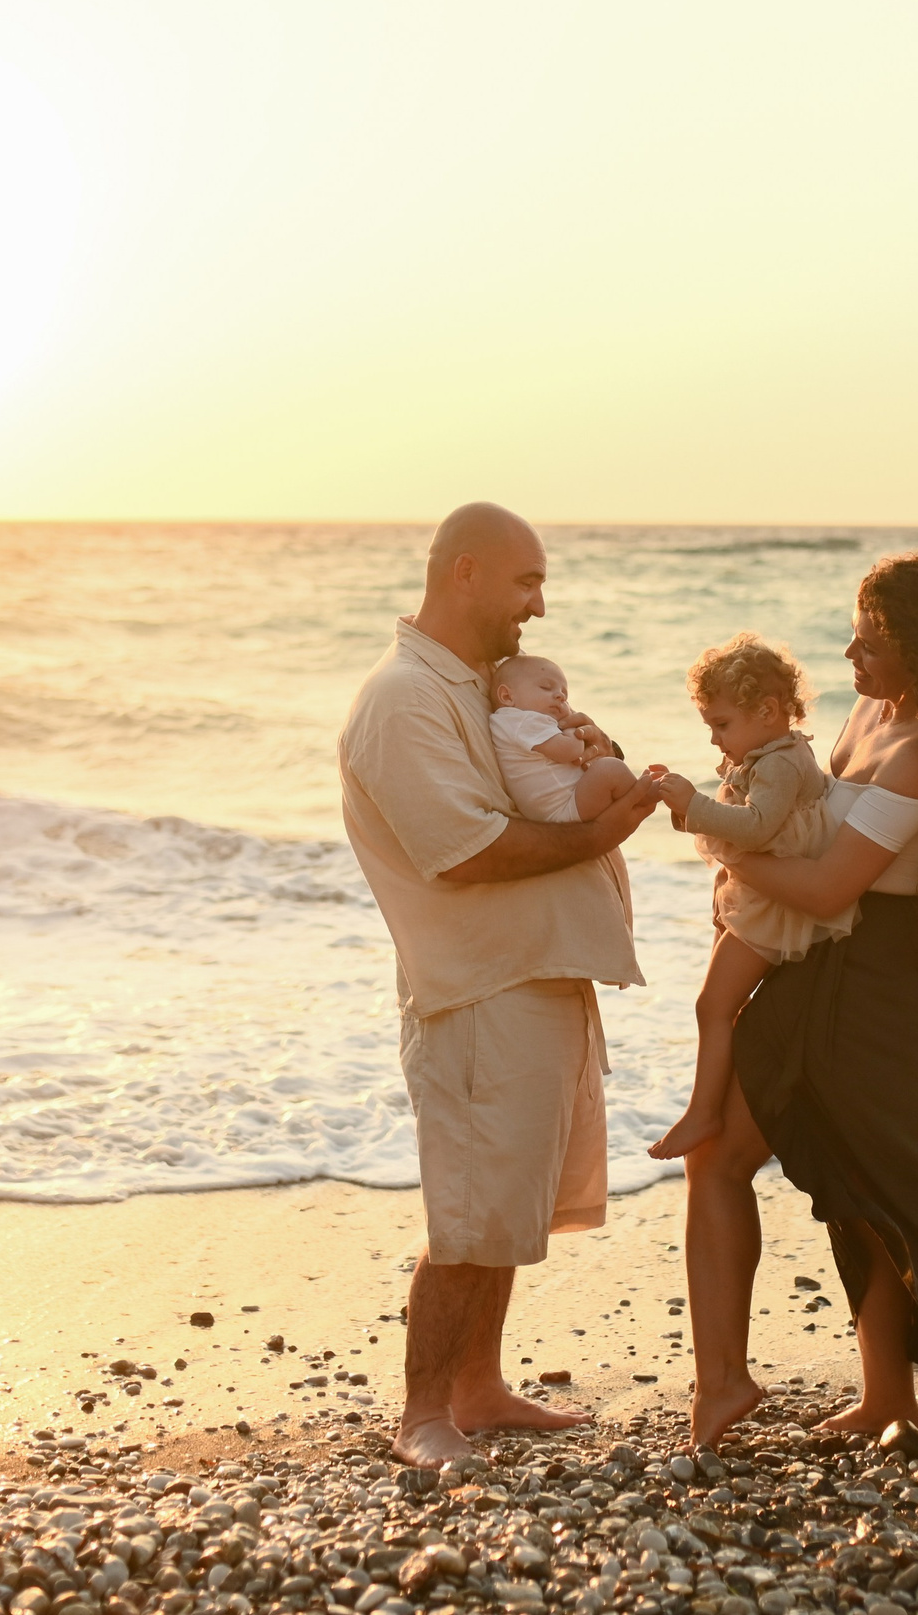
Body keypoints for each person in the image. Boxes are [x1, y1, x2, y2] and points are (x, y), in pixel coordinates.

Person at [679, 553, 918, 1447]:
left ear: (917, 648)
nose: (850, 649)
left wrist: (724, 847)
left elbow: (826, 886)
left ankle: (832, 1393)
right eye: (857, 629)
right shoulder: (868, 709)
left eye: (873, 637)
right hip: (827, 968)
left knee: (864, 1189)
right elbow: (803, 833)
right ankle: (798, 1390)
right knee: (795, 1175)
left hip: (891, 985)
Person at [338, 502, 664, 1468]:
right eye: (528, 582)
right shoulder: (404, 697)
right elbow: (467, 848)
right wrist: (609, 828)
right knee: (472, 1210)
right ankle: (423, 1416)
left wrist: (585, 750)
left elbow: (534, 791)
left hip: (534, 973)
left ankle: (477, 1387)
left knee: (512, 1202)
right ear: (466, 571)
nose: (541, 605)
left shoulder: (482, 689)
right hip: (478, 987)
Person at [646, 633, 855, 1161]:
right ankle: (714, 1099)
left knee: (712, 1005)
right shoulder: (768, 753)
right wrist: (686, 807)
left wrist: (693, 804)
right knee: (722, 1006)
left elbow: (757, 829)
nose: (716, 740)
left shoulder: (781, 763)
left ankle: (703, 1112)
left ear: (767, 710)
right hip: (760, 902)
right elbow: (738, 826)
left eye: (722, 724)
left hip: (774, 911)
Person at [488, 654, 648, 822]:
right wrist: (572, 728)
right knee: (610, 769)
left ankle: (640, 792)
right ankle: (642, 795)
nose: (560, 696)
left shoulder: (512, 721)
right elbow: (570, 750)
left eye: (564, 693)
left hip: (559, 807)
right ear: (507, 696)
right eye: (546, 687)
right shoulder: (521, 720)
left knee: (607, 769)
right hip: (563, 809)